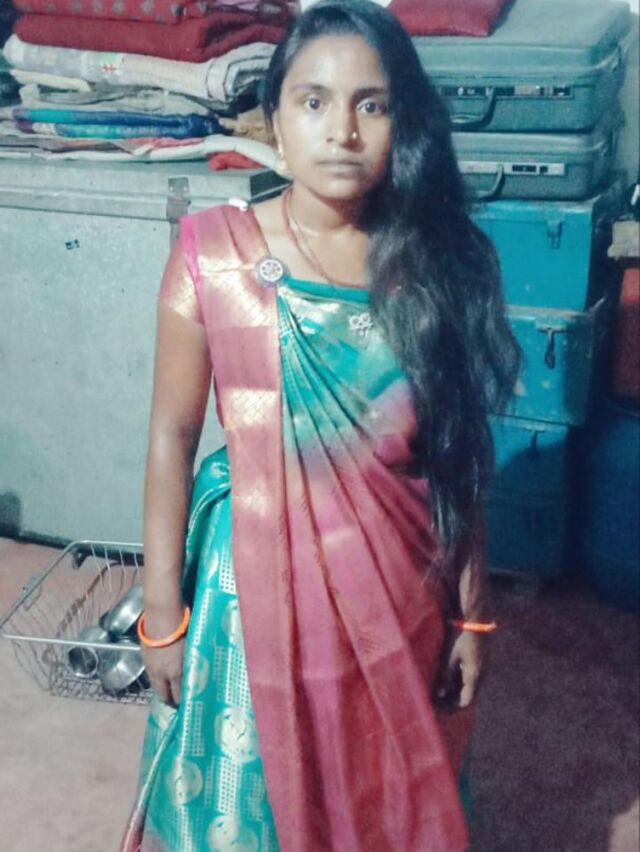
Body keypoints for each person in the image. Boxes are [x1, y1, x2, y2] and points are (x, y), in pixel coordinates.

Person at [121, 1, 520, 850]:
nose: (342, 131)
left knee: (382, 790)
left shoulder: (437, 262)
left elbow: (459, 457)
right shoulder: (214, 255)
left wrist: (472, 614)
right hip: (249, 598)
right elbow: (170, 437)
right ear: (275, 117)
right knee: (256, 798)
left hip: (399, 591)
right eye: (314, 102)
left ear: (405, 123)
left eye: (372, 104)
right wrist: (162, 609)